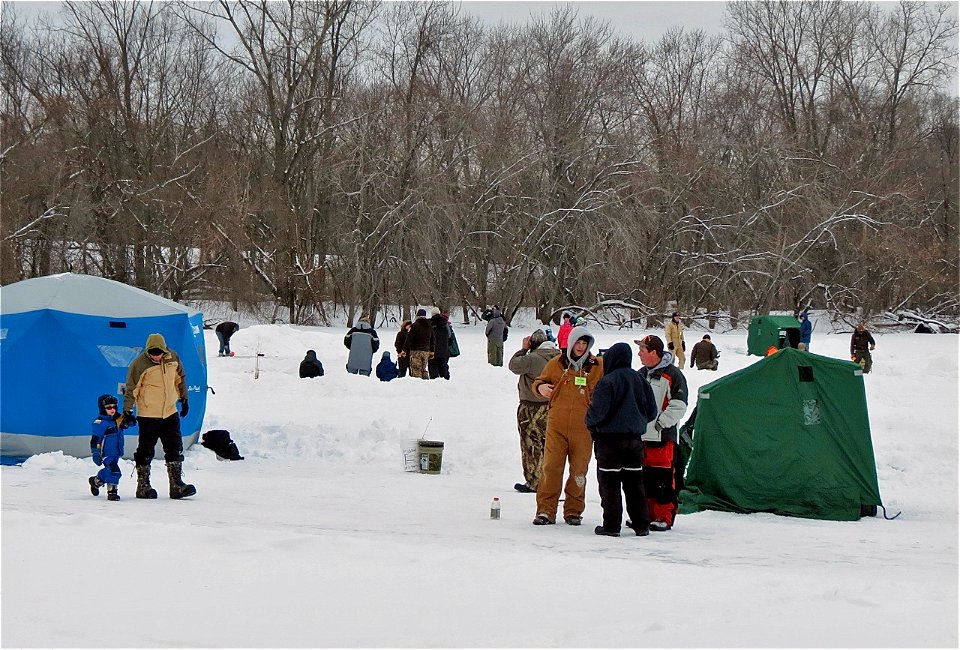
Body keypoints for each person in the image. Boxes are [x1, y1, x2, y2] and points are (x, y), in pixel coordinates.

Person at [531, 326, 604, 526]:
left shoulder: (598, 365)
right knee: (551, 467)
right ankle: (545, 510)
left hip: (584, 428)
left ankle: (573, 510)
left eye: (585, 343)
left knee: (579, 470)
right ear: (571, 343)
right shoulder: (556, 364)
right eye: (578, 342)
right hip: (557, 425)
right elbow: (538, 382)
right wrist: (541, 387)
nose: (581, 347)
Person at [585, 342, 658, 537]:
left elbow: (596, 413)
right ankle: (641, 524)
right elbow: (652, 411)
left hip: (609, 442)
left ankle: (611, 525)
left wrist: (591, 424)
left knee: (609, 484)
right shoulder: (641, 380)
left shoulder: (607, 382)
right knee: (635, 484)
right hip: (635, 442)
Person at [123, 333, 196, 500]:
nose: (156, 356)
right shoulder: (139, 365)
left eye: (159, 352)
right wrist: (127, 411)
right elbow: (131, 388)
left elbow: (180, 379)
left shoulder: (173, 357)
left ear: (164, 350)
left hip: (170, 412)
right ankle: (143, 486)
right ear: (148, 351)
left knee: (174, 447)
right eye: (153, 353)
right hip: (149, 414)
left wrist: (184, 399)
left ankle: (176, 485)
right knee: (145, 450)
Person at [634, 334, 688, 532]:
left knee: (663, 479)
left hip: (662, 437)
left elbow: (679, 405)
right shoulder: (640, 374)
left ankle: (664, 515)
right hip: (641, 436)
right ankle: (646, 515)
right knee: (644, 478)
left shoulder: (673, 375)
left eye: (642, 350)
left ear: (653, 352)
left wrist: (660, 424)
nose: (639, 354)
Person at [507, 329, 560, 494]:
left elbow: (513, 365)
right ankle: (549, 481)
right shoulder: (560, 359)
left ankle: (534, 481)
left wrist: (523, 349)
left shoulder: (531, 358)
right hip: (553, 408)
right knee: (549, 445)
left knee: (530, 444)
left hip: (530, 407)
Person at [88, 393, 132, 502]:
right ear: (103, 409)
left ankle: (96, 481)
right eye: (109, 408)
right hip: (106, 453)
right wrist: (96, 453)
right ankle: (112, 492)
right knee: (115, 471)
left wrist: (129, 417)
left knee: (110, 470)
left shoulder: (118, 419)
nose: (112, 410)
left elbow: (130, 424)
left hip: (116, 452)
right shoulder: (101, 423)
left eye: (114, 407)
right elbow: (95, 439)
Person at [404, 309, 433, 379]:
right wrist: (432, 351)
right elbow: (433, 339)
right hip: (426, 351)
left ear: (417, 315)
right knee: (423, 369)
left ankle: (417, 387)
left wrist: (404, 349)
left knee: (416, 370)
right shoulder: (429, 326)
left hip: (415, 351)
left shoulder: (414, 325)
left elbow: (409, 339)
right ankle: (426, 384)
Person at [428, 307, 451, 380]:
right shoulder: (445, 323)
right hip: (444, 349)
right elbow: (449, 336)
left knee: (433, 365)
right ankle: (445, 379)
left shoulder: (429, 323)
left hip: (432, 349)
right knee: (443, 365)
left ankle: (434, 380)